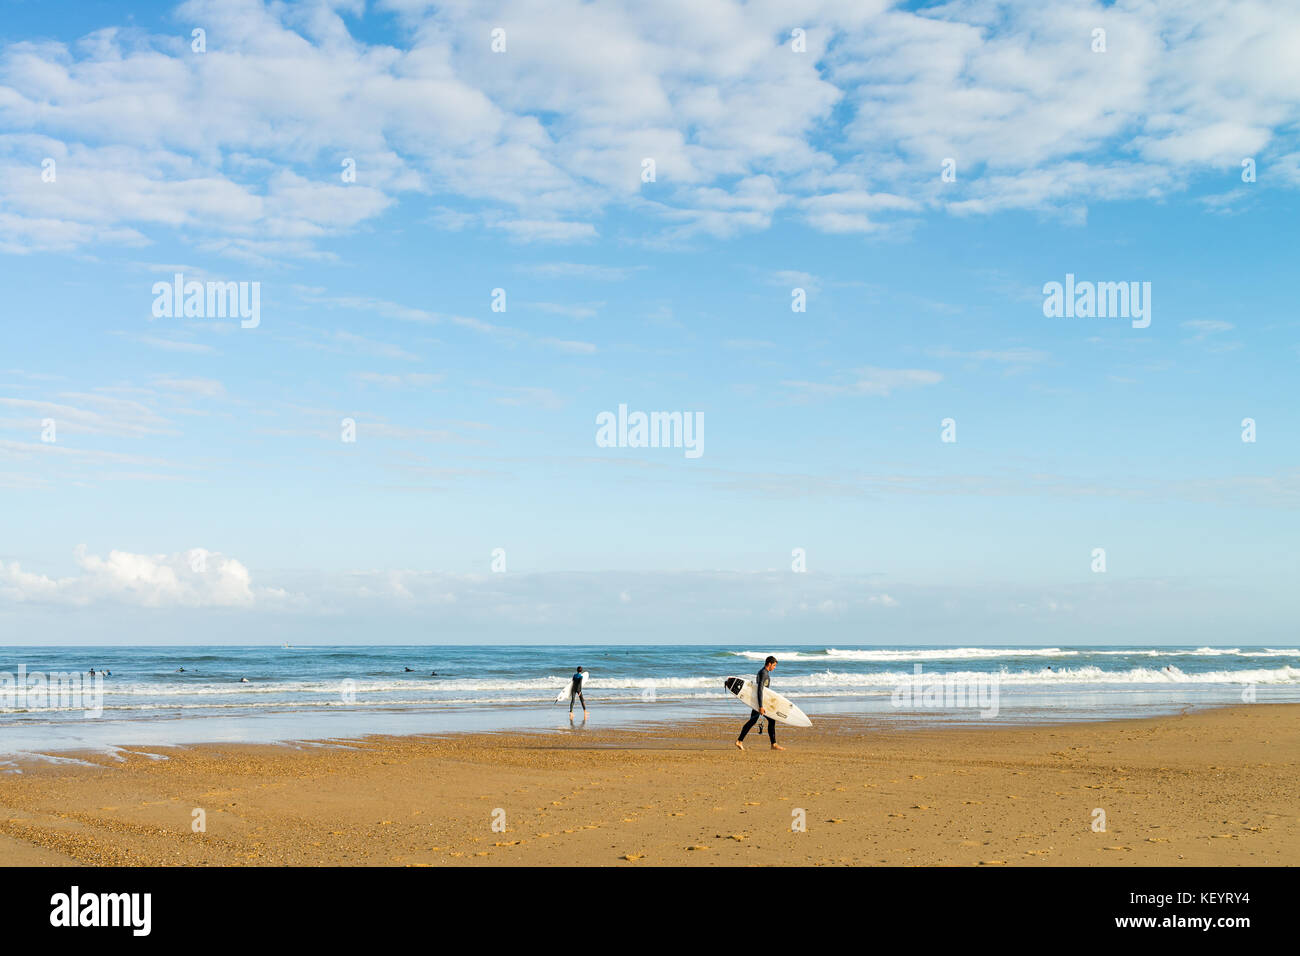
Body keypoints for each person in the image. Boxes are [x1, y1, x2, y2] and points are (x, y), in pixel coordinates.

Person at [736, 656, 784, 751]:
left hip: (760, 701)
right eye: (774, 665)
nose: (774, 667)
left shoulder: (763, 672)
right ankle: (740, 741)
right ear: (769, 664)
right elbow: (760, 690)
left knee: (755, 721)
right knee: (759, 721)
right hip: (760, 702)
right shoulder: (763, 673)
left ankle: (773, 744)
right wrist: (761, 706)